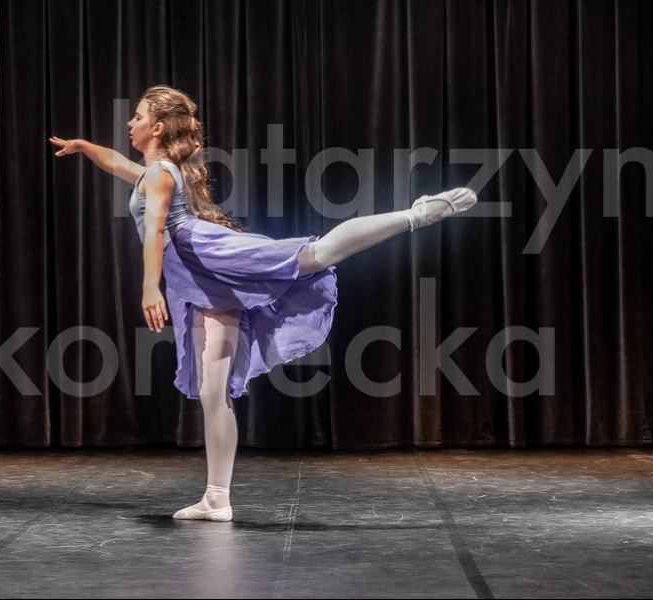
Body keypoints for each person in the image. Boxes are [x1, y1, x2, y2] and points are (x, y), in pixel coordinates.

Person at [49, 84, 477, 522]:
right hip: (202, 281)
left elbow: (156, 231)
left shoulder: (160, 173)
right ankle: (217, 499)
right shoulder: (155, 170)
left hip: (205, 257)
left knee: (314, 256)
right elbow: (115, 162)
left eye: (138, 116)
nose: (130, 123)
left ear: (157, 127)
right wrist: (82, 146)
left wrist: (149, 287)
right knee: (213, 390)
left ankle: (416, 214)